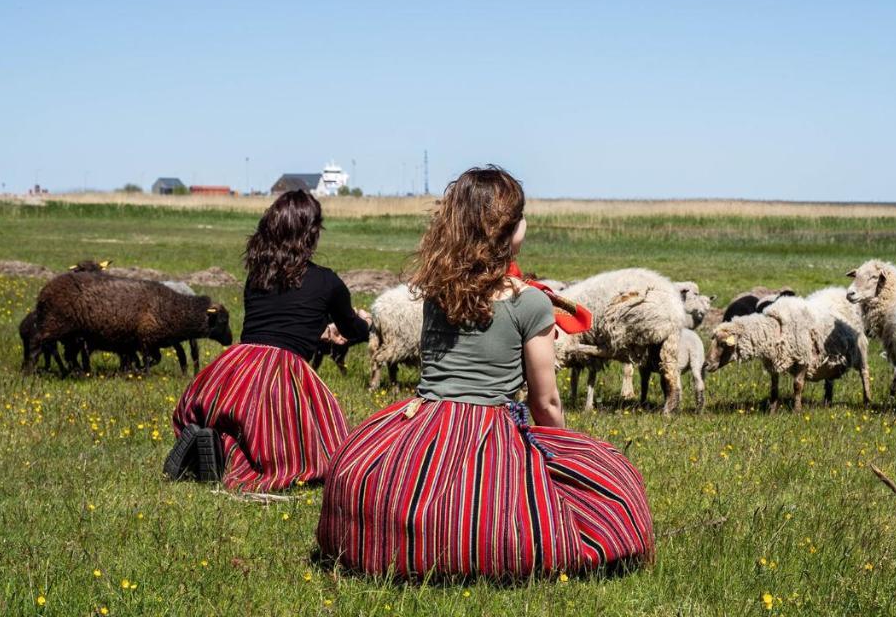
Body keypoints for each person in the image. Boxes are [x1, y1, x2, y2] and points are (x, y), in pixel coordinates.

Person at [316, 166, 654, 579]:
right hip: (489, 426)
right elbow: (545, 400)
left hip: (424, 422)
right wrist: (568, 454)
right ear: (509, 230)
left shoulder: (438, 293)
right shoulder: (530, 303)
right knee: (609, 479)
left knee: (368, 476)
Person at [167, 190, 370, 492]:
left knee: (239, 423)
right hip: (282, 373)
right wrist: (365, 325)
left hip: (235, 370)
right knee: (304, 445)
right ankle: (229, 460)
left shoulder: (257, 276)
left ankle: (214, 445)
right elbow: (351, 330)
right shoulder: (328, 282)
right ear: (311, 233)